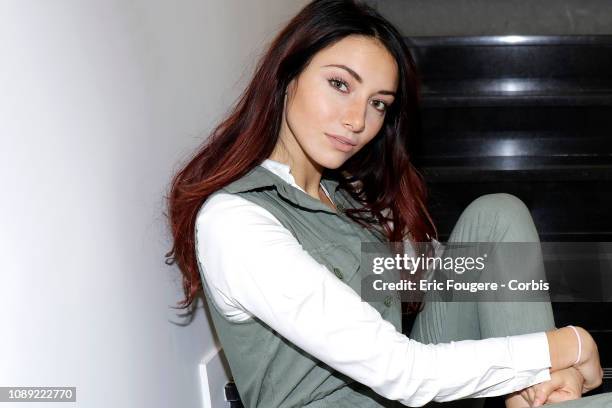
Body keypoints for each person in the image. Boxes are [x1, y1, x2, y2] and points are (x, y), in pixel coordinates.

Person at [165, 0, 610, 407]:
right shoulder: (236, 220)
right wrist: (568, 345)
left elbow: (438, 278)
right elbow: (404, 372)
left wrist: (542, 363)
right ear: (287, 77)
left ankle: (542, 394)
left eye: (378, 103)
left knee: (496, 215)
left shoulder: (341, 194)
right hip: (392, 386)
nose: (357, 120)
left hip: (400, 394)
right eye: (340, 84)